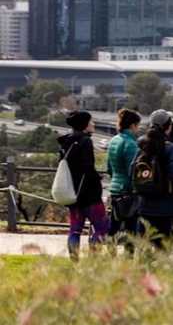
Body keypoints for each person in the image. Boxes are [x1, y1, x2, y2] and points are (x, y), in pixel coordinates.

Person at [58, 111, 109, 260]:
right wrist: (97, 177)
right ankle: (93, 258)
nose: (93, 124)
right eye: (91, 122)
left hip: (72, 193)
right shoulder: (85, 141)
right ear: (85, 125)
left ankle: (74, 261)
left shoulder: (65, 142)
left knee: (75, 230)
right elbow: (88, 167)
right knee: (101, 228)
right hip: (90, 195)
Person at [134, 109, 173, 249]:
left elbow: (131, 173)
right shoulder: (170, 148)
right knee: (164, 250)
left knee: (144, 248)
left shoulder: (141, 147)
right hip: (165, 207)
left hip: (143, 206)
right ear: (168, 128)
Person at [106, 108, 141, 242]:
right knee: (131, 229)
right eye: (137, 126)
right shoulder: (131, 144)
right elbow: (132, 171)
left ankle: (110, 255)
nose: (138, 129)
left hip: (115, 188)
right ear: (133, 125)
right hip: (127, 191)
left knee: (114, 226)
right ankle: (128, 257)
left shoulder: (114, 140)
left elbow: (109, 167)